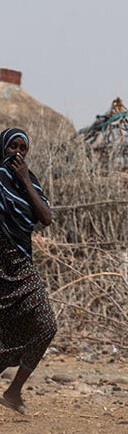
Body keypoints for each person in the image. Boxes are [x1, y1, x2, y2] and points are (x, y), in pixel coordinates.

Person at [0, 128, 56, 413]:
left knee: (47, 326)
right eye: (12, 147)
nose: (18, 153)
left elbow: (45, 218)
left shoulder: (29, 182)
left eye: (23, 148)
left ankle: (14, 391)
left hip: (21, 266)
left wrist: (24, 180)